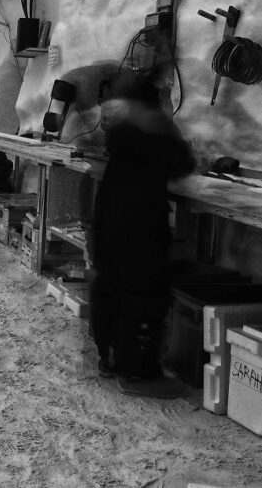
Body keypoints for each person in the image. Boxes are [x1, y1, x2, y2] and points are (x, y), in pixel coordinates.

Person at [90, 72, 195, 384]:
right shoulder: (152, 132)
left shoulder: (120, 131)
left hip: (109, 222)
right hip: (140, 227)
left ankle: (108, 356)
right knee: (141, 292)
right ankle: (135, 366)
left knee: (110, 286)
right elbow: (183, 164)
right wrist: (163, 118)